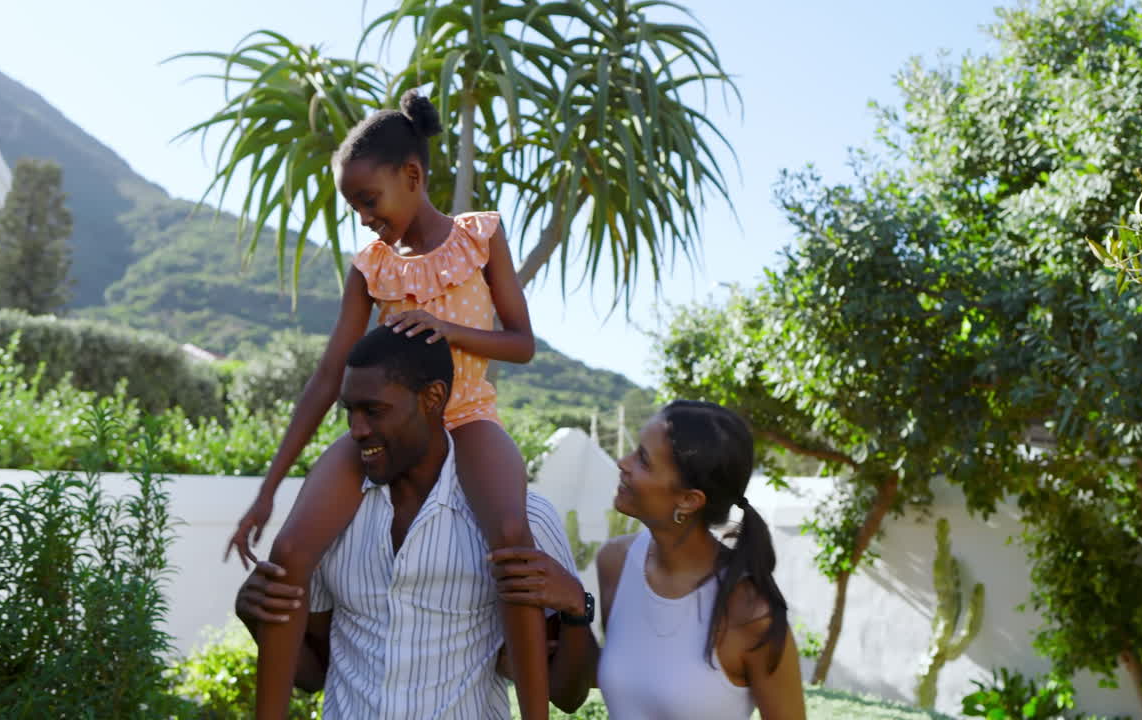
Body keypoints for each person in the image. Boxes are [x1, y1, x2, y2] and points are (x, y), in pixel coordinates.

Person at [226, 91, 550, 719]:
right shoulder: (371, 266)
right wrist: (268, 489)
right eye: (353, 207)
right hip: (388, 424)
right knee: (291, 554)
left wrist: (447, 330)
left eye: (369, 201)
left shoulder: (480, 238)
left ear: (413, 176)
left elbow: (522, 343)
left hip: (467, 412)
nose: (364, 218)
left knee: (512, 540)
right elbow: (328, 375)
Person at [235, 326, 597, 719]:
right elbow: (317, 673)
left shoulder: (522, 518)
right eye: (349, 411)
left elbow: (568, 695)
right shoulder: (331, 521)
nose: (356, 430)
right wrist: (255, 618)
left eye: (374, 410)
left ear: (432, 398)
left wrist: (578, 610)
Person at [490, 400, 807, 719]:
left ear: (688, 500)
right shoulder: (616, 562)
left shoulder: (752, 614)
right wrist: (575, 608)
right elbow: (617, 682)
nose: (622, 462)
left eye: (643, 459)